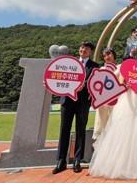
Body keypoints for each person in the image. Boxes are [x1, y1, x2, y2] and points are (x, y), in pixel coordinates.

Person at [88, 43, 137, 179]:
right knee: (126, 130)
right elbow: (121, 82)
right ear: (136, 52)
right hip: (129, 99)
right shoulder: (127, 65)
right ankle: (123, 163)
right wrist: (126, 84)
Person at [53, 41, 99, 174]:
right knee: (64, 129)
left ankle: (78, 160)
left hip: (83, 102)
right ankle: (61, 160)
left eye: (86, 48)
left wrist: (83, 84)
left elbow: (94, 83)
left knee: (80, 130)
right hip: (67, 101)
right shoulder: (69, 63)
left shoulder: (95, 66)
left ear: (90, 52)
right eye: (82, 47)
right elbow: (59, 77)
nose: (83, 50)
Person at [92, 47, 118, 140]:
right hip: (103, 103)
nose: (107, 57)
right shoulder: (101, 69)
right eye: (105, 55)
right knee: (103, 126)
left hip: (116, 102)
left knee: (115, 128)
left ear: (114, 55)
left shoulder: (119, 68)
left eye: (109, 54)